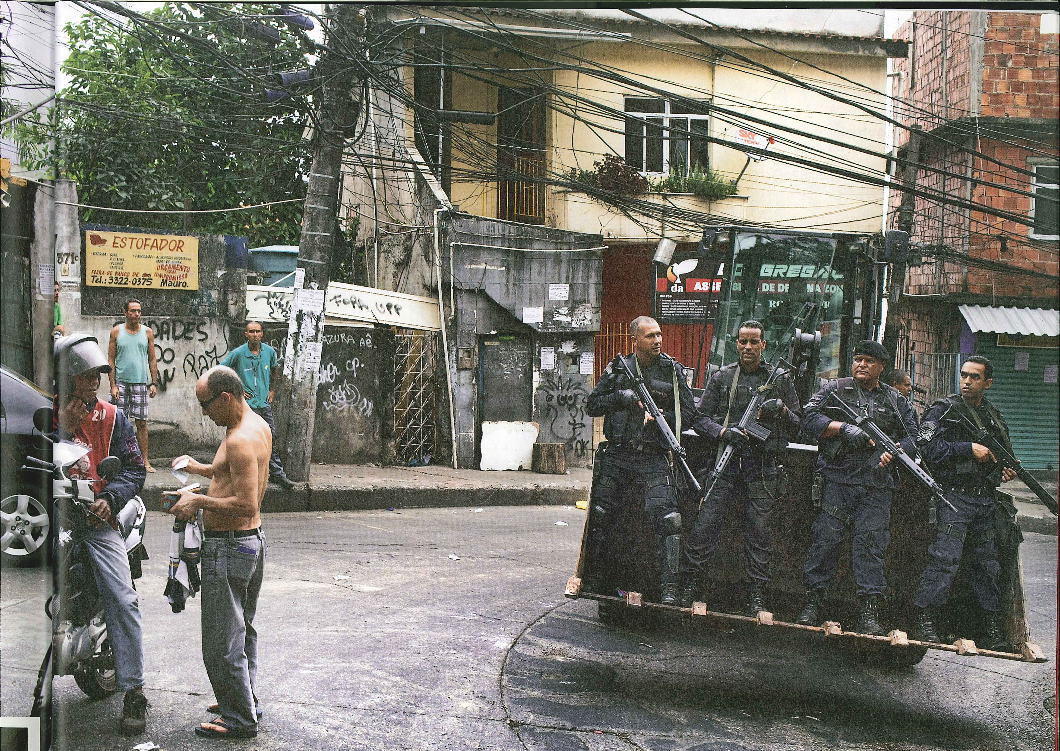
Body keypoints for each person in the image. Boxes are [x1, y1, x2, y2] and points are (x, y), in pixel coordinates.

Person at [167, 366, 271, 739]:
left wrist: (197, 501)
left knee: (220, 639)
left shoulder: (241, 439)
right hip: (250, 544)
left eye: (205, 404)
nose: (203, 412)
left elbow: (246, 504)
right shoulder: (251, 425)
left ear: (225, 398)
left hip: (230, 546)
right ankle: (242, 699)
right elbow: (230, 472)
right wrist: (200, 468)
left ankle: (239, 718)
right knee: (242, 631)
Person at [53, 334, 148, 735]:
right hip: (55, 520)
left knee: (122, 599)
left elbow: (135, 468)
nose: (94, 382)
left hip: (96, 521)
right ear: (66, 378)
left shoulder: (114, 416)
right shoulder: (45, 414)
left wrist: (111, 497)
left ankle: (134, 692)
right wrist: (62, 430)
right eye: (86, 375)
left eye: (98, 375)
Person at [795, 340, 919, 635]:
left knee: (871, 546)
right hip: (838, 480)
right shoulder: (835, 389)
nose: (861, 365)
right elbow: (808, 417)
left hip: (876, 484)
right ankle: (813, 602)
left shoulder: (895, 400)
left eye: (868, 361)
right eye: (857, 359)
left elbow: (915, 436)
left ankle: (869, 610)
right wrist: (843, 428)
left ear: (881, 367)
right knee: (825, 541)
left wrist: (896, 450)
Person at [682, 320, 802, 614]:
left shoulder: (780, 379)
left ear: (764, 345)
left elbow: (800, 424)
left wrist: (781, 410)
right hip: (725, 463)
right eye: (742, 342)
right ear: (736, 344)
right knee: (706, 523)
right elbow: (699, 418)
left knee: (760, 532)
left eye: (753, 342)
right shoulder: (723, 377)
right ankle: (692, 585)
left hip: (761, 467)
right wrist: (724, 433)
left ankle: (756, 594)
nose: (747, 347)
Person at [585, 316, 696, 605]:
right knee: (600, 513)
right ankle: (595, 577)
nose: (657, 340)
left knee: (669, 520)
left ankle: (669, 587)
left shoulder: (672, 371)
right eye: (650, 336)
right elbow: (592, 405)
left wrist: (660, 419)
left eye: (659, 335)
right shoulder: (619, 369)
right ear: (635, 340)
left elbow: (690, 415)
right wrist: (621, 397)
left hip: (653, 455)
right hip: (619, 454)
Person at [909, 355, 1017, 650]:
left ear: (988, 383)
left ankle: (991, 628)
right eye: (964, 375)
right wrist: (967, 448)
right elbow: (927, 447)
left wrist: (1004, 469)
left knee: (988, 566)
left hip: (985, 500)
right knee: (944, 560)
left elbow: (1002, 457)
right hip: (954, 497)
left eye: (975, 377)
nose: (967, 381)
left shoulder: (994, 416)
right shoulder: (943, 410)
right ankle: (925, 619)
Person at [221, 321, 294, 490]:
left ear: (262, 334)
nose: (254, 334)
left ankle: (277, 474)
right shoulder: (238, 353)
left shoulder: (269, 352)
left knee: (270, 437)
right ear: (245, 334)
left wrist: (272, 390)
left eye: (257, 331)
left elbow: (275, 370)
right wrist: (235, 389)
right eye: (251, 331)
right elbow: (221, 370)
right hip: (245, 406)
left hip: (263, 403)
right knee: (241, 440)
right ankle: (236, 475)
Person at [108, 299, 160, 472]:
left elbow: (152, 359)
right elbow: (110, 360)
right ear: (125, 312)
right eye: (133, 311)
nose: (136, 314)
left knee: (142, 423)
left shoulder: (147, 332)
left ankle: (145, 461)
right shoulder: (117, 332)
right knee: (119, 423)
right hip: (121, 383)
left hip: (140, 383)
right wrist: (113, 385)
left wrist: (153, 382)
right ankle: (119, 461)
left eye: (139, 311)